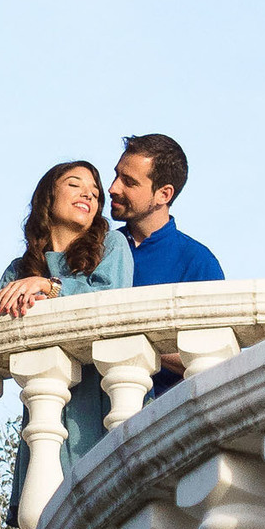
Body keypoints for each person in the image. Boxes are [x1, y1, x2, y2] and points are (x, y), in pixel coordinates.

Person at [0, 160, 131, 519]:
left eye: (95, 192)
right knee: (43, 520)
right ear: (48, 197)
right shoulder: (20, 269)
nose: (89, 195)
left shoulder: (112, 245)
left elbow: (110, 295)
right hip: (44, 409)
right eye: (75, 185)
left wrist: (49, 288)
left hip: (97, 403)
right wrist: (19, 299)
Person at [108, 132, 222, 389]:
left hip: (161, 408)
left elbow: (211, 358)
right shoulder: (97, 249)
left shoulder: (197, 262)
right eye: (116, 175)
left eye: (129, 182)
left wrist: (137, 338)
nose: (113, 188)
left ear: (164, 194)